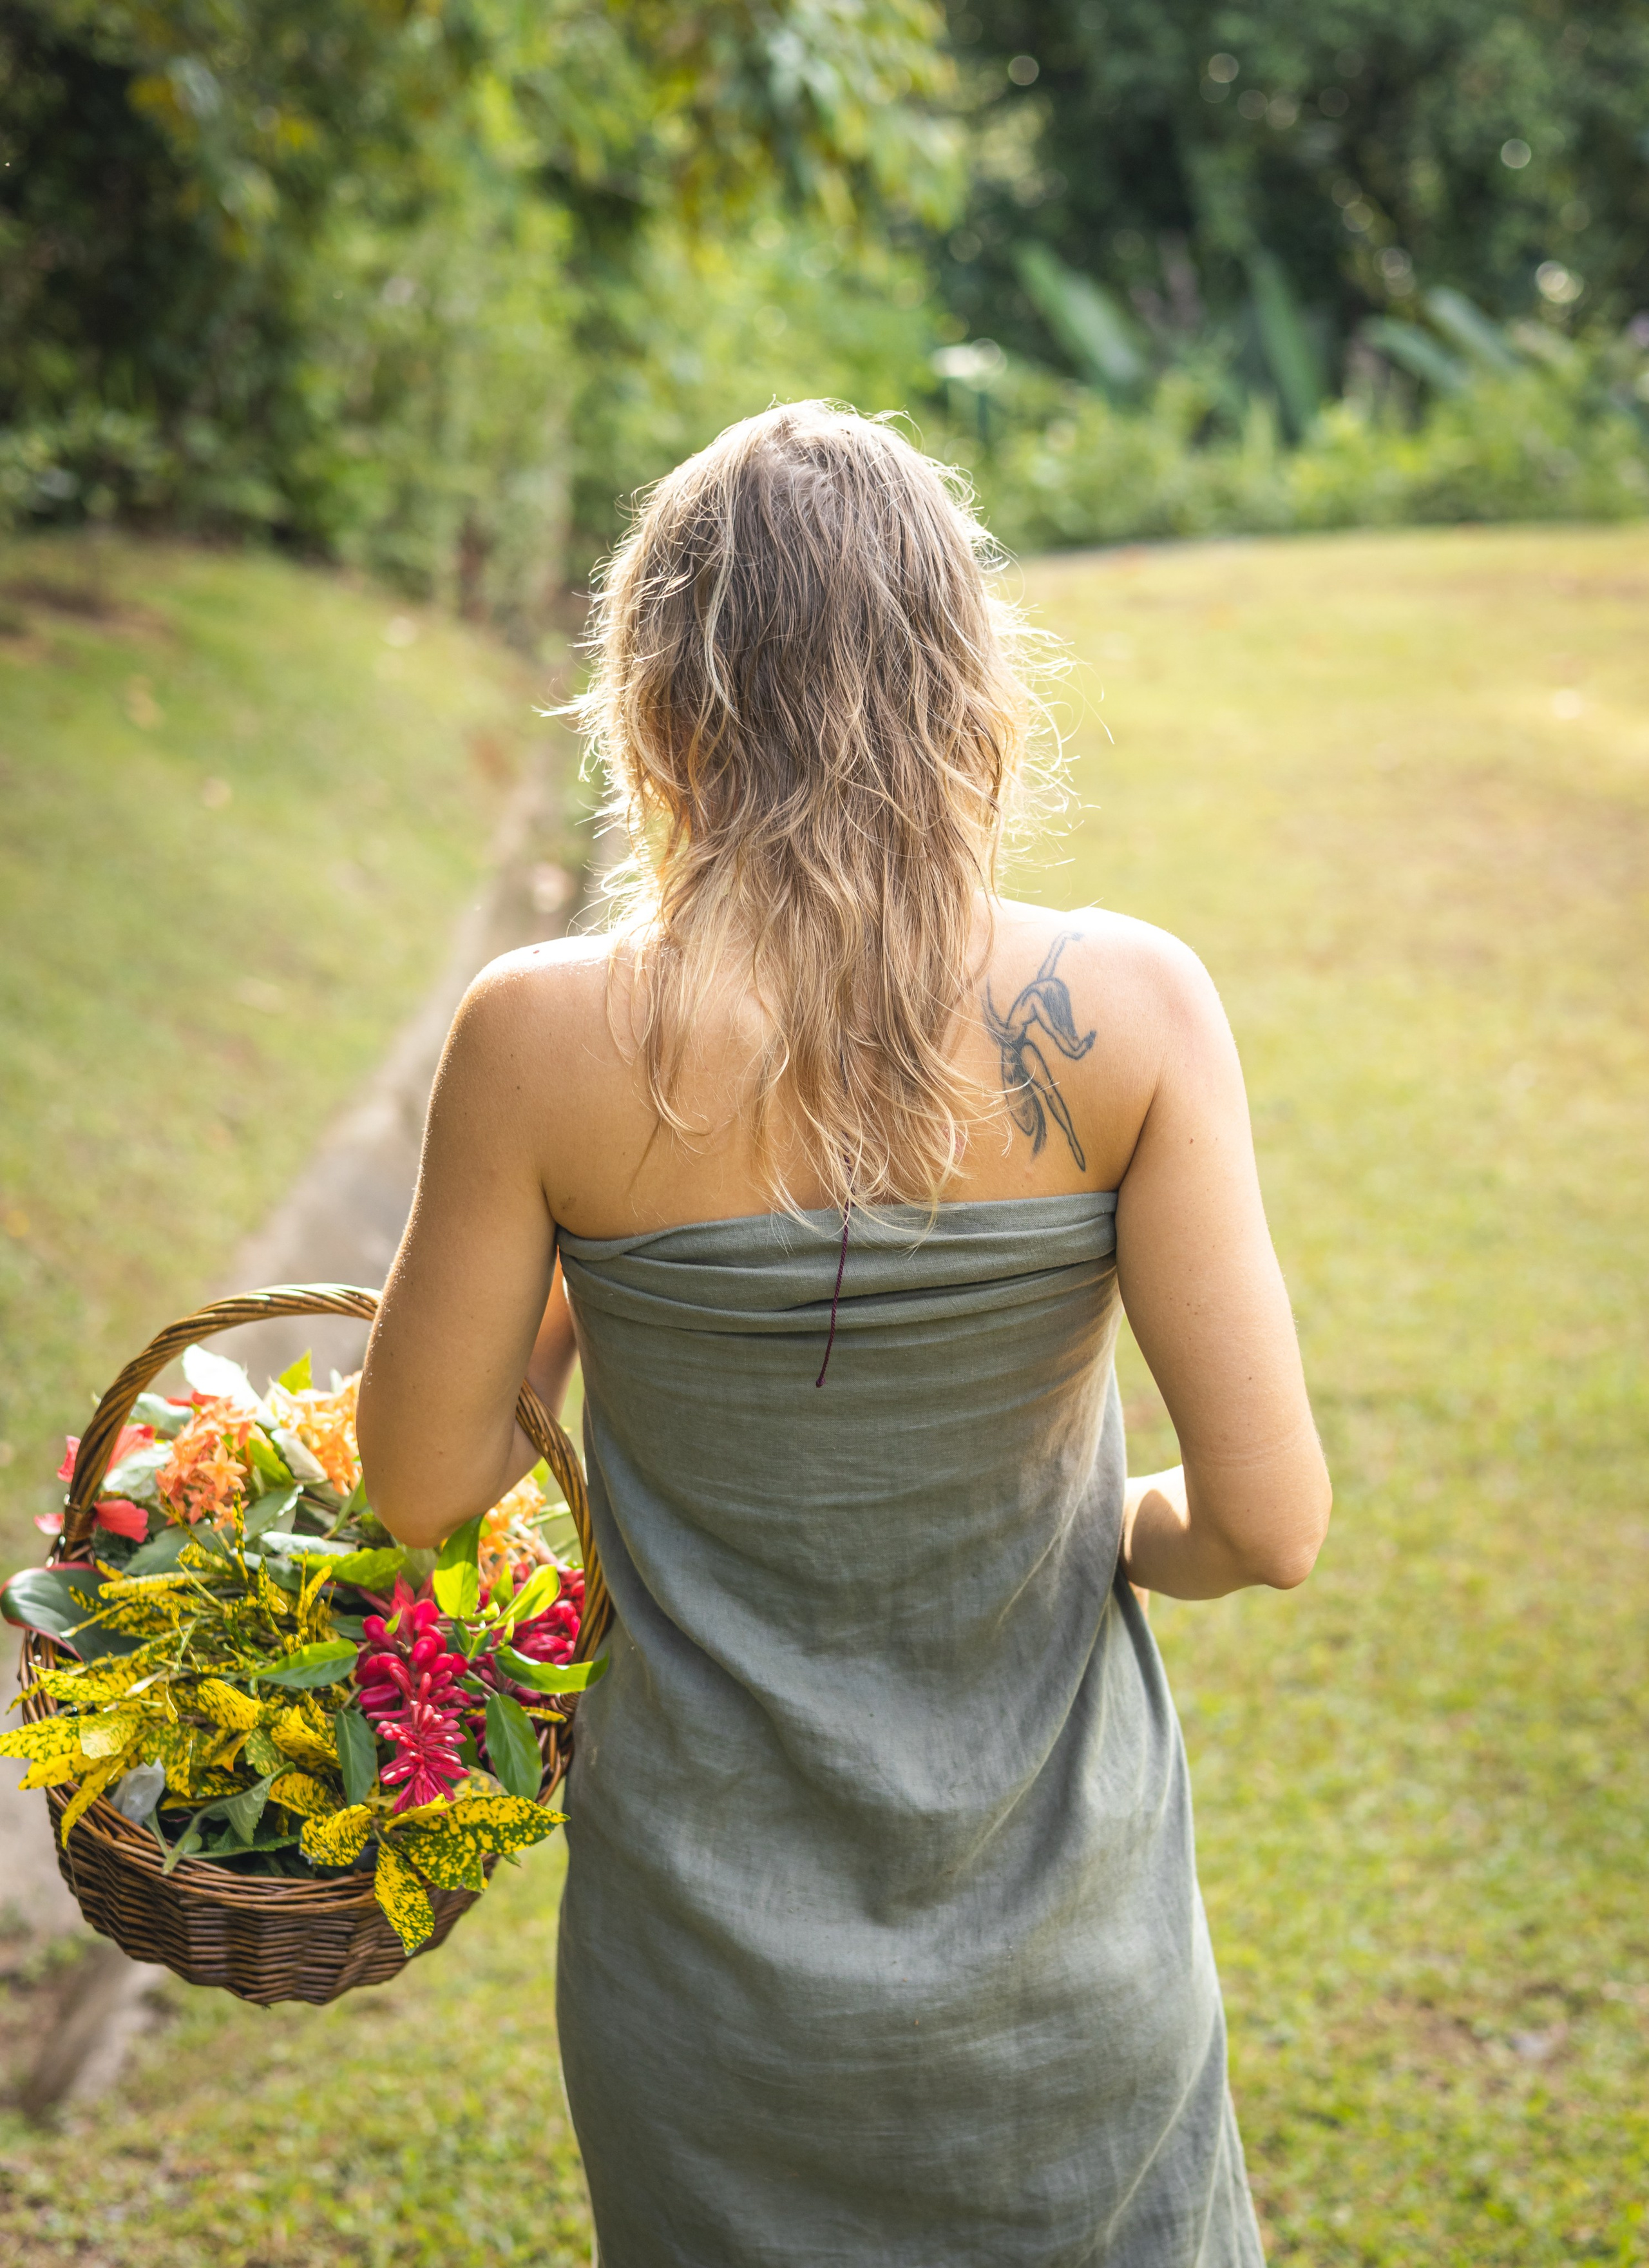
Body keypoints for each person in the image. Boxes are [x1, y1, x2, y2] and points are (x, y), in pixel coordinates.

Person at [357, 401, 1331, 2267]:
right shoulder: (1128, 1006)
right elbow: (1267, 1529)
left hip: (704, 1989)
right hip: (1071, 1979)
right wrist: (1114, 1522)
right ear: (968, 688)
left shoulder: (543, 1037)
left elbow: (422, 1482)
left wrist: (586, 1273)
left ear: (658, 707)